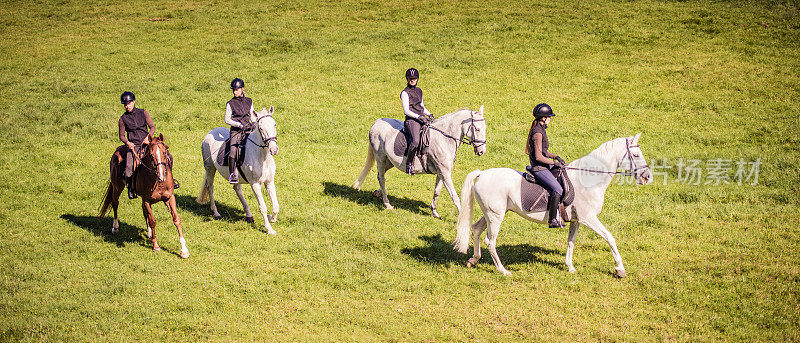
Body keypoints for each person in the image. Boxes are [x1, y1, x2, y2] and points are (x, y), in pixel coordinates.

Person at [118, 91, 178, 199]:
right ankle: (131, 189)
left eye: (129, 103)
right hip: (134, 146)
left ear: (133, 102)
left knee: (169, 157)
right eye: (125, 104)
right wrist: (128, 143)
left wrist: (148, 137)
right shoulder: (122, 119)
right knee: (128, 168)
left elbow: (152, 127)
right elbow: (121, 135)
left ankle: (171, 180)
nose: (127, 106)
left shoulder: (143, 113)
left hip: (147, 143)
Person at [526, 103, 566, 228]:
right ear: (543, 118)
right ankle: (552, 219)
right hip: (539, 168)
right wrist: (553, 162)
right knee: (558, 189)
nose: (550, 119)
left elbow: (543, 150)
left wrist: (555, 156)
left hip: (544, 165)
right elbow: (539, 156)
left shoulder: (541, 129)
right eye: (549, 117)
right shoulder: (537, 133)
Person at [224, 78, 258, 184]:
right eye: (233, 90)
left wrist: (253, 123)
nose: (235, 92)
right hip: (236, 131)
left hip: (248, 128)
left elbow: (252, 115)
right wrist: (238, 125)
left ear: (242, 89)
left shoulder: (249, 101)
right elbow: (227, 119)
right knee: (233, 150)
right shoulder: (230, 103)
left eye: (237, 89)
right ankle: (232, 174)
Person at [400, 68, 433, 175]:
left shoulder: (419, 91)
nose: (412, 80)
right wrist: (419, 117)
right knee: (415, 141)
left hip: (421, 117)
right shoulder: (405, 93)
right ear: (407, 79)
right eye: (410, 78)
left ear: (417, 79)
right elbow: (406, 110)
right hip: (411, 120)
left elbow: (421, 106)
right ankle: (409, 164)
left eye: (414, 78)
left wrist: (429, 114)